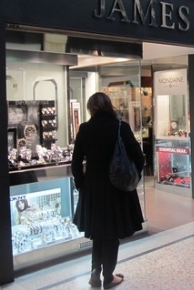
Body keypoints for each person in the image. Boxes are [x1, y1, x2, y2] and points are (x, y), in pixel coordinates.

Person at [72, 92, 144, 289]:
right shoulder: (121, 127)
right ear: (109, 106)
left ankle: (95, 272)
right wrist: (132, 175)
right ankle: (109, 277)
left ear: (91, 109)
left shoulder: (85, 129)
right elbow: (139, 156)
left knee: (98, 232)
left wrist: (81, 184)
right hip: (116, 188)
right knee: (112, 233)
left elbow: (76, 162)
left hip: (93, 188)